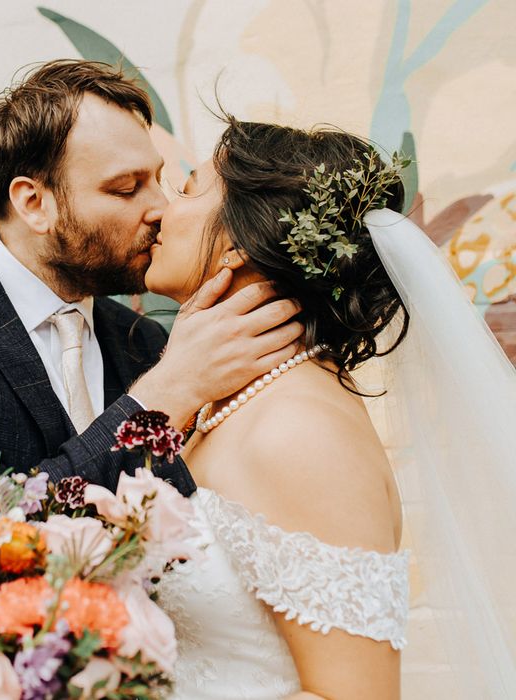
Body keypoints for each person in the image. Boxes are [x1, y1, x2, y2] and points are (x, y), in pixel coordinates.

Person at [0, 61, 302, 526]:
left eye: (158, 179)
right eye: (126, 188)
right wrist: (162, 396)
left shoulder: (147, 343)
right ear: (34, 203)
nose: (162, 207)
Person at [148, 119, 516, 698]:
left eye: (189, 189)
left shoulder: (302, 432)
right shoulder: (228, 405)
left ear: (241, 240)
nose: (159, 212)